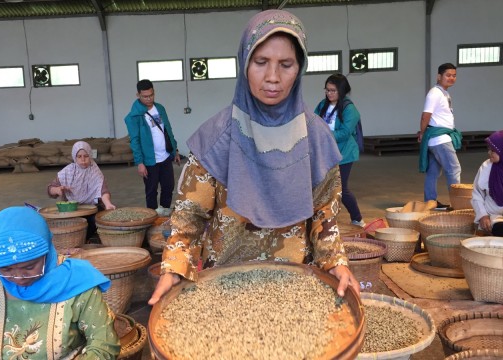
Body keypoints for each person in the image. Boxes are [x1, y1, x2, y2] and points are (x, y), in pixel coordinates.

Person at [149, 9, 360, 306]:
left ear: (300, 68)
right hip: (225, 288)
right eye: (260, 63)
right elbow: (188, 218)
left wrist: (336, 261)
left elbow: (325, 213)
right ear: (244, 63)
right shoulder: (218, 137)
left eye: (286, 64)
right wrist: (174, 267)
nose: (272, 77)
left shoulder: (315, 137)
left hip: (294, 287)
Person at [0, 206, 120, 359]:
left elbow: (103, 344)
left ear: (47, 253)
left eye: (29, 267)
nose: (18, 277)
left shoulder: (76, 282)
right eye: (6, 269)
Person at [124, 79, 181, 217]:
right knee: (151, 190)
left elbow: (168, 129)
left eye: (151, 95)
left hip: (165, 156)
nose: (149, 99)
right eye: (145, 96)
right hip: (149, 160)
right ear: (138, 95)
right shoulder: (133, 116)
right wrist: (140, 163)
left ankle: (165, 212)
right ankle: (152, 216)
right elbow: (135, 141)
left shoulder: (160, 108)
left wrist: (175, 150)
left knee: (168, 186)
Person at [314, 73, 364, 227]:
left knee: (341, 188)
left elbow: (344, 133)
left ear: (342, 91)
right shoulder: (323, 105)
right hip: (325, 152)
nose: (329, 93)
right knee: (322, 186)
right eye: (327, 90)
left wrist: (323, 135)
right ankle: (324, 219)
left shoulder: (350, 109)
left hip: (344, 153)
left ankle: (357, 218)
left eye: (333, 91)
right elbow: (314, 122)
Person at [47, 141, 116, 239]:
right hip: (72, 209)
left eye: (86, 156)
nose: (83, 160)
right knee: (70, 224)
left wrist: (108, 203)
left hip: (92, 208)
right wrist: (57, 190)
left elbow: (103, 191)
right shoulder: (68, 171)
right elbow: (50, 189)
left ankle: (83, 240)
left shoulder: (95, 171)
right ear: (75, 157)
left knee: (92, 222)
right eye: (79, 156)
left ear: (90, 156)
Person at [418, 63, 462, 209]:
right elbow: (426, 116)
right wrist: (422, 133)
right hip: (440, 140)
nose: (451, 78)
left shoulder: (444, 92)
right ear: (439, 76)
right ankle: (458, 203)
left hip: (438, 139)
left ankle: (430, 202)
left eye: (454, 75)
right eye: (448, 75)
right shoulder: (435, 93)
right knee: (454, 169)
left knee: (433, 172)